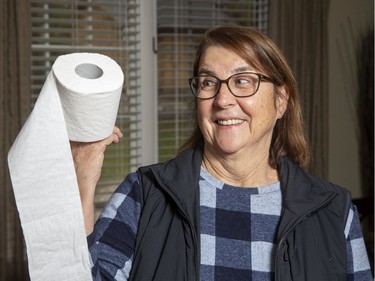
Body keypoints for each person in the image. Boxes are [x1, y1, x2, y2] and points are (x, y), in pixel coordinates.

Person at [71, 26, 373, 281]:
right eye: (208, 83)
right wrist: (84, 183)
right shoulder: (144, 194)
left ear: (281, 101)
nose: (223, 99)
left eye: (243, 81)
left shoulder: (334, 212)